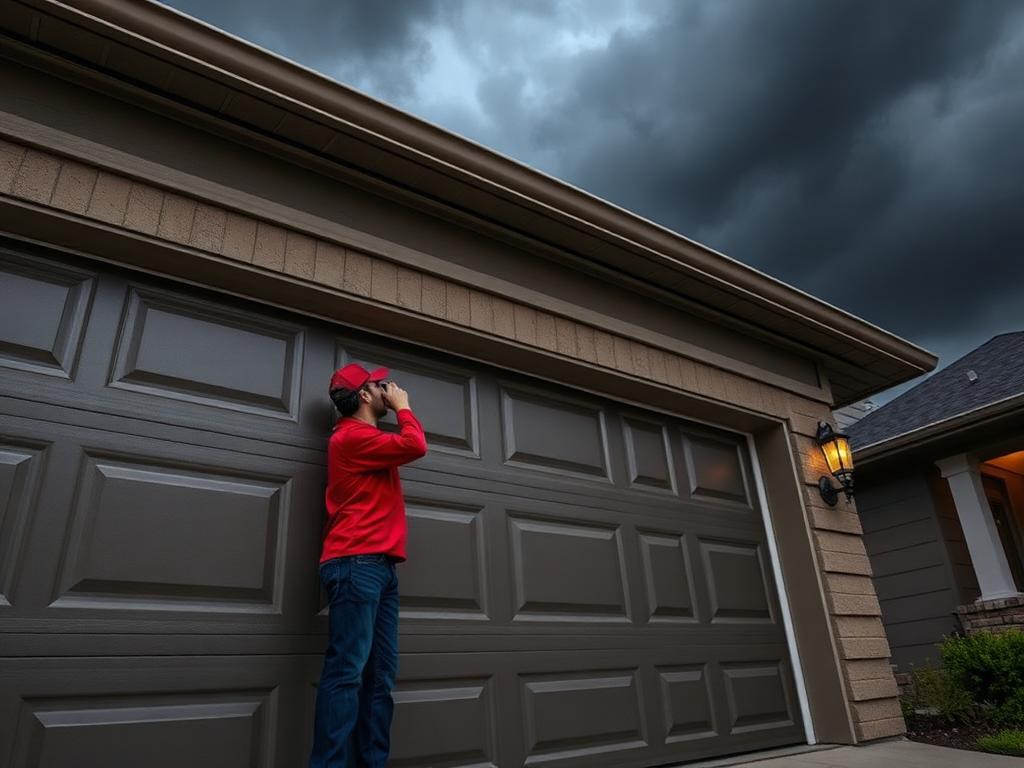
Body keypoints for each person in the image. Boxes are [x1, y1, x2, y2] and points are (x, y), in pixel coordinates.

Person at [309, 363, 427, 768]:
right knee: (346, 674)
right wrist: (404, 407)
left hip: (377, 567)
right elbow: (416, 445)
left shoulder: (368, 439)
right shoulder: (352, 437)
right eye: (381, 385)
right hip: (356, 563)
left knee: (379, 678)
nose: (390, 388)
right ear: (364, 395)